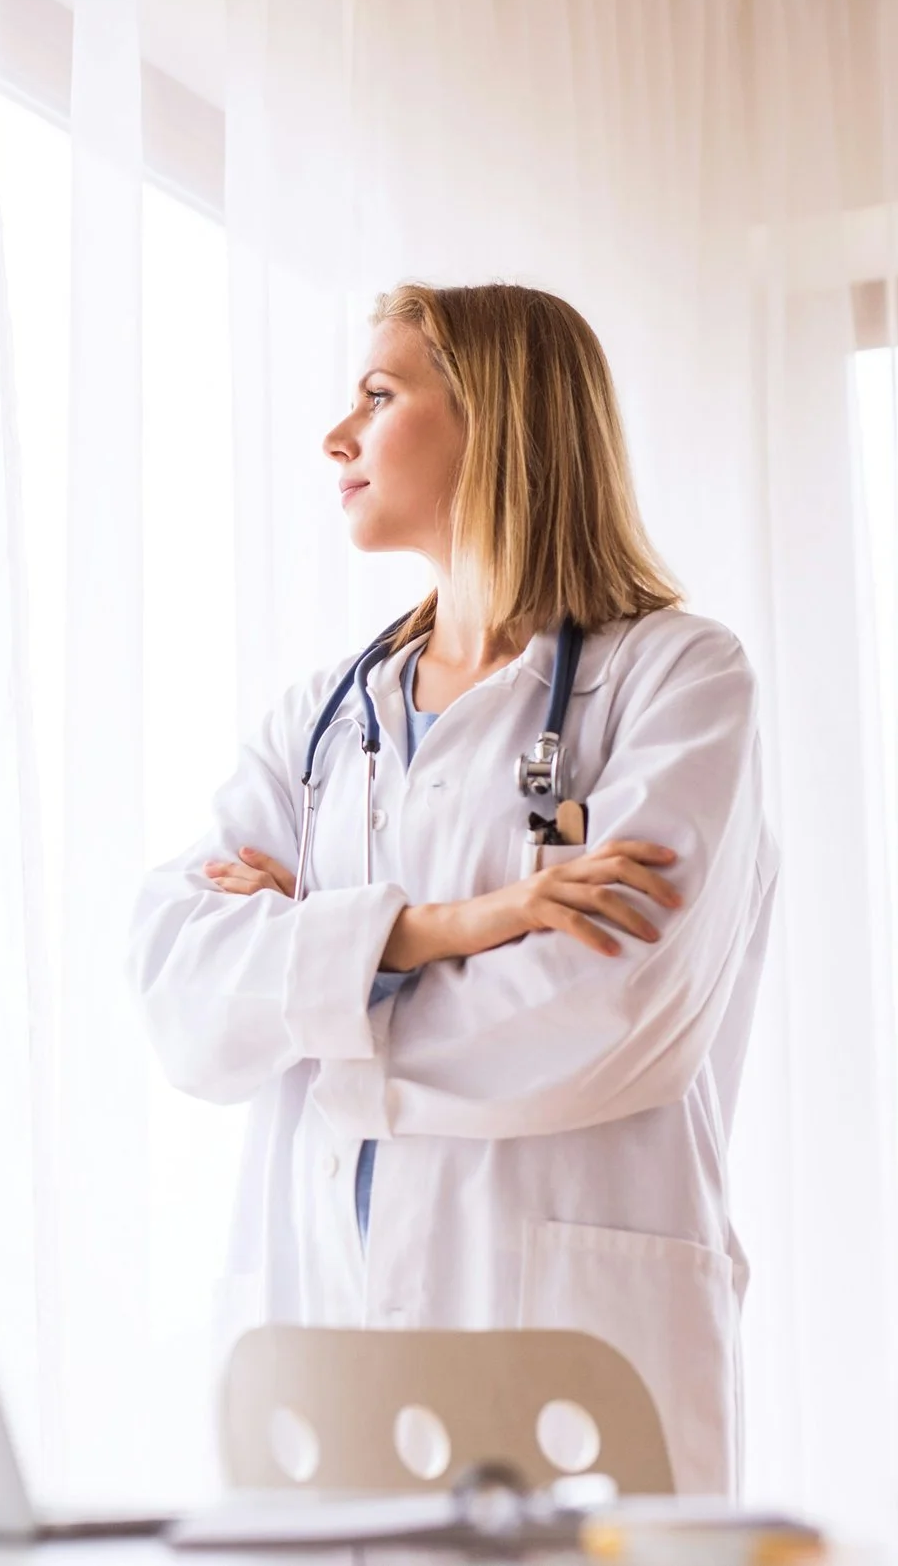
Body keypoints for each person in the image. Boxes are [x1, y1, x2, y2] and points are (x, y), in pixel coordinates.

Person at [127, 282, 777, 1496]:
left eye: (377, 397)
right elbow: (179, 999)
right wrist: (440, 932)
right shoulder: (322, 718)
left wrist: (310, 992)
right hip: (323, 1346)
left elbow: (609, 1018)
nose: (337, 437)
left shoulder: (677, 682)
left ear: (501, 420)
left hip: (573, 1360)